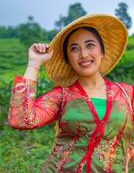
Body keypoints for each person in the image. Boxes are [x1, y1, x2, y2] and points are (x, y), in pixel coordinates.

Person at [8, 14, 134, 173]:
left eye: (90, 45)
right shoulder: (62, 96)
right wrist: (34, 63)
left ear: (102, 51)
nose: (83, 54)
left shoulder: (127, 94)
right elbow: (20, 120)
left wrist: (123, 154)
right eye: (74, 49)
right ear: (68, 59)